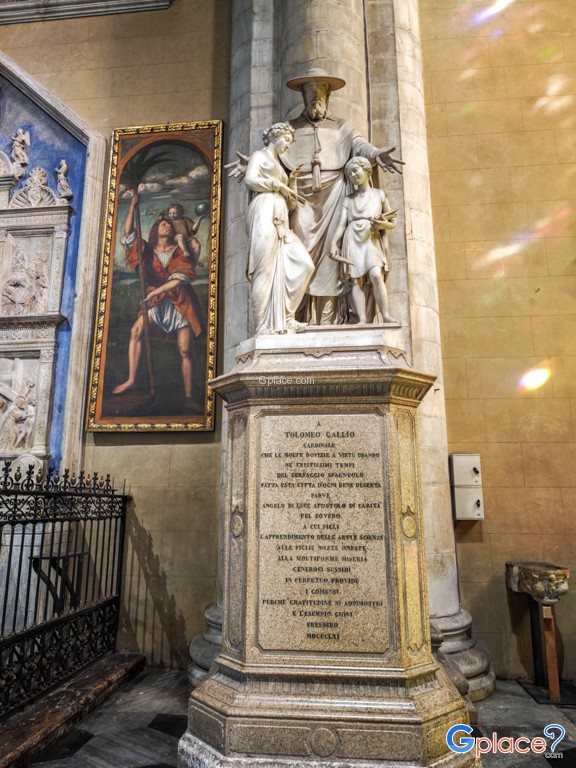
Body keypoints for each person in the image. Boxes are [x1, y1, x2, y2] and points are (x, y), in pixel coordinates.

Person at [279, 68, 403, 325]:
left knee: (331, 257)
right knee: (298, 251)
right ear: (303, 97)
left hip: (335, 192)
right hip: (301, 198)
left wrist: (376, 154)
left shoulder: (342, 126)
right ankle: (296, 314)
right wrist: (256, 165)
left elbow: (359, 145)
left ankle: (331, 318)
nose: (316, 99)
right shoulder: (290, 128)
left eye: (321, 93)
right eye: (311, 93)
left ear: (328, 96)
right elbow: (274, 151)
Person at [112, 192, 204, 411]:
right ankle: (131, 380)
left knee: (185, 349)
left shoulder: (180, 252)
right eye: (163, 224)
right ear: (156, 229)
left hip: (180, 302)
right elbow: (128, 233)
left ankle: (189, 397)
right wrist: (132, 205)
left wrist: (155, 293)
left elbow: (180, 279)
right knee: (136, 331)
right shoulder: (145, 250)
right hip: (155, 301)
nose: (167, 226)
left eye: (169, 225)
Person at [243, 122, 314, 335]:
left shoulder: (279, 166)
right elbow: (249, 180)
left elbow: (292, 204)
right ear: (275, 137)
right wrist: (277, 185)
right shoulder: (259, 156)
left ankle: (287, 317)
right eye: (286, 140)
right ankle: (261, 327)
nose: (288, 146)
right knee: (264, 270)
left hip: (282, 219)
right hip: (264, 210)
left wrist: (291, 183)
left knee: (305, 265)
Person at [330, 157, 397, 324]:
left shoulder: (379, 194)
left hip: (371, 237)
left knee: (376, 275)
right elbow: (342, 224)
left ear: (367, 170)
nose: (353, 176)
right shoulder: (349, 199)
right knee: (355, 280)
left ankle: (385, 314)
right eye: (350, 174)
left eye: (355, 171)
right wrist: (333, 243)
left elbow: (393, 221)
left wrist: (383, 225)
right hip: (352, 237)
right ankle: (362, 318)